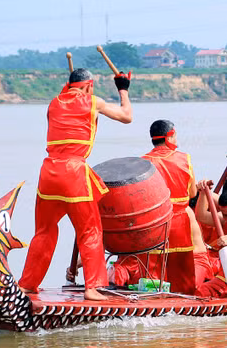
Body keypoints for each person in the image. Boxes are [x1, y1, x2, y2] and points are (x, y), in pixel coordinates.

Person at [18, 67, 132, 301]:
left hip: (48, 173)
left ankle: (28, 284)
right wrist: (123, 89)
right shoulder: (93, 101)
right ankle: (92, 288)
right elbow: (126, 116)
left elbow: (67, 102)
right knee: (89, 230)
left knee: (44, 231)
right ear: (89, 86)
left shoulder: (53, 103)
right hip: (73, 172)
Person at [110, 120, 210, 294]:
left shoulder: (141, 163)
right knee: (181, 275)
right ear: (170, 136)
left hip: (152, 224)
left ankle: (149, 301)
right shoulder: (184, 159)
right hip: (178, 221)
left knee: (151, 272)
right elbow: (192, 193)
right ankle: (183, 302)